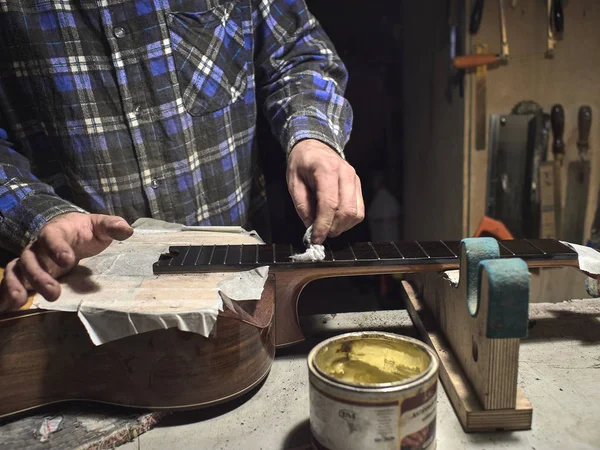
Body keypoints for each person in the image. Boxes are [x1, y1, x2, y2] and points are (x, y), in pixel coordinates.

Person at [0, 0, 364, 311]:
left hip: (240, 295)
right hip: (75, 295)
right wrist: (38, 213)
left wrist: (312, 137)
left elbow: (297, 53)